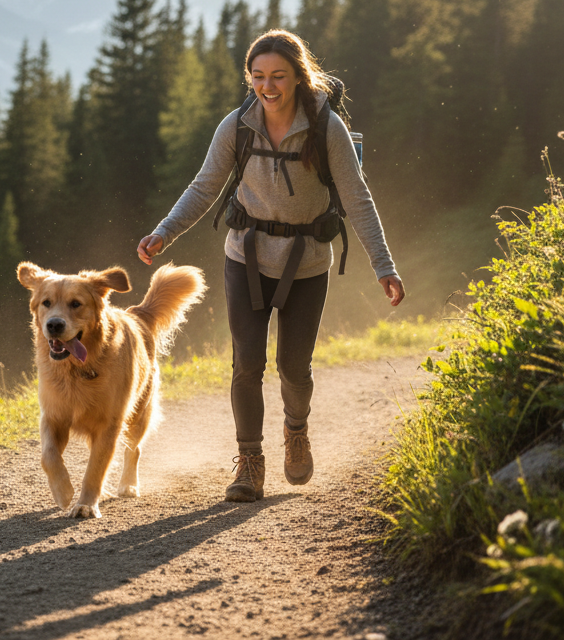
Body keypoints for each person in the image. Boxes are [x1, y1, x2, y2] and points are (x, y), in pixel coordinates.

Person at [137, 29, 404, 502]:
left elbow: (358, 199)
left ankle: (296, 429)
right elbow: (204, 187)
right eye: (258, 76)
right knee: (247, 363)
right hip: (247, 256)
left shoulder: (326, 129)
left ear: (299, 77)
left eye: (278, 76)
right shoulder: (237, 125)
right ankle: (250, 462)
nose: (268, 86)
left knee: (294, 368)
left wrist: (383, 266)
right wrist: (164, 232)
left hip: (307, 262)